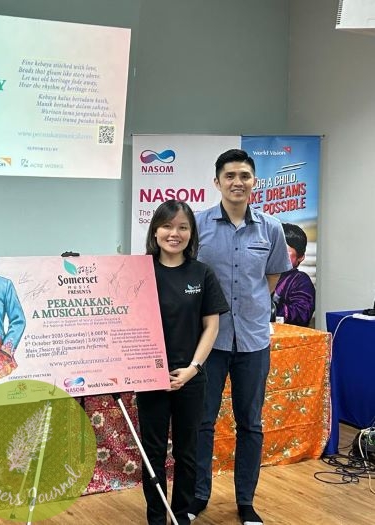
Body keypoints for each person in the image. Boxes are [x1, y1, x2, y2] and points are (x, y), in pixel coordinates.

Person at [189, 149, 291, 525]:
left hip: (253, 341)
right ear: (217, 182)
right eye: (230, 175)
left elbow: (271, 279)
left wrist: (251, 308)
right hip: (209, 342)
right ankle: (199, 495)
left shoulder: (271, 228)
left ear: (254, 182)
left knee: (251, 424)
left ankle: (246, 501)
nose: (237, 182)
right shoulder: (196, 224)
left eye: (244, 176)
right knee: (203, 422)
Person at [136, 200, 228, 525]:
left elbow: (211, 326)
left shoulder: (202, 273)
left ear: (191, 233)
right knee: (153, 453)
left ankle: (181, 516)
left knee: (187, 452)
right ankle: (156, 517)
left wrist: (192, 369)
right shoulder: (139, 272)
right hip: (150, 377)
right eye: (167, 226)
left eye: (182, 227)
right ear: (155, 231)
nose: (174, 233)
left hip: (190, 378)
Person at [272, 223, 316, 327]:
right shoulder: (260, 275)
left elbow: (302, 314)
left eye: (284, 253)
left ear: (301, 257)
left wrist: (269, 309)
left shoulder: (300, 280)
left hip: (284, 334)